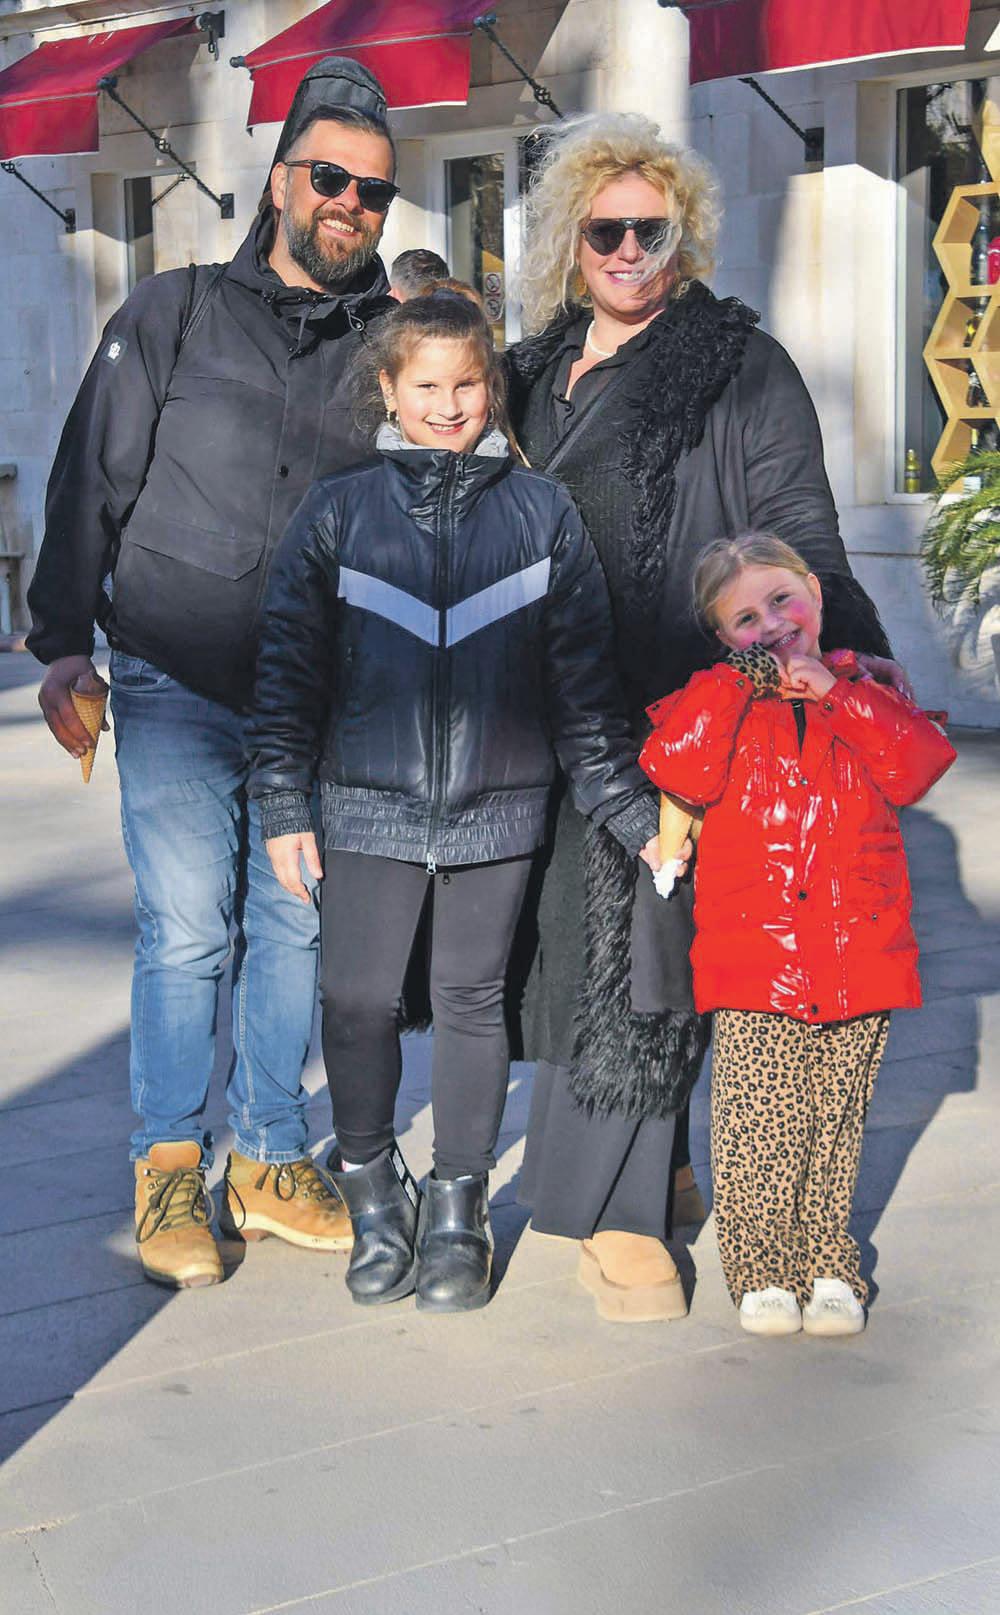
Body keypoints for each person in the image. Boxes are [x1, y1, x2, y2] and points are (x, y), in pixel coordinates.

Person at [505, 112, 909, 1323]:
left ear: (684, 237)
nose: (628, 251)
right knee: (557, 946)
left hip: (681, 698)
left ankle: (618, 1214)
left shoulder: (736, 362)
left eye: (652, 230)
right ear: (569, 239)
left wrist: (851, 659)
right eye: (605, 232)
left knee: (637, 945)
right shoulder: (529, 368)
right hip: (536, 699)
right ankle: (667, 1166)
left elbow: (798, 523)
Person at [25, 57, 400, 1290]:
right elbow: (92, 471)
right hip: (173, 678)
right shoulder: (173, 311)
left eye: (375, 192)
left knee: (293, 921)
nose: (351, 205)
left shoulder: (389, 343)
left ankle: (271, 1159)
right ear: (281, 179)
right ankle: (170, 1164)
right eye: (331, 178)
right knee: (189, 930)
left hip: (314, 696)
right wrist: (60, 640)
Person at [247, 291, 661, 1314]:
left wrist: (637, 818)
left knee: (473, 999)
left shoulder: (541, 514)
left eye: (467, 384)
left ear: (491, 390)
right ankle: (371, 1186)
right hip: (365, 803)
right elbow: (288, 672)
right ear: (388, 389)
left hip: (499, 805)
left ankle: (457, 1207)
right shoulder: (339, 511)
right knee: (357, 999)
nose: (447, 404)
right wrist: (284, 803)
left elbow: (584, 691)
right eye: (425, 384)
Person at [638, 533, 955, 1336]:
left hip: (859, 949)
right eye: (744, 619)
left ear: (813, 593)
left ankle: (828, 1261)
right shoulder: (718, 696)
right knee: (757, 1121)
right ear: (721, 636)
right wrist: (732, 682)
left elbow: (916, 767)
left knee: (834, 1118)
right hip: (758, 952)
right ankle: (762, 1268)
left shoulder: (864, 687)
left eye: (781, 599)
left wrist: (839, 692)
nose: (771, 624)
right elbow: (675, 765)